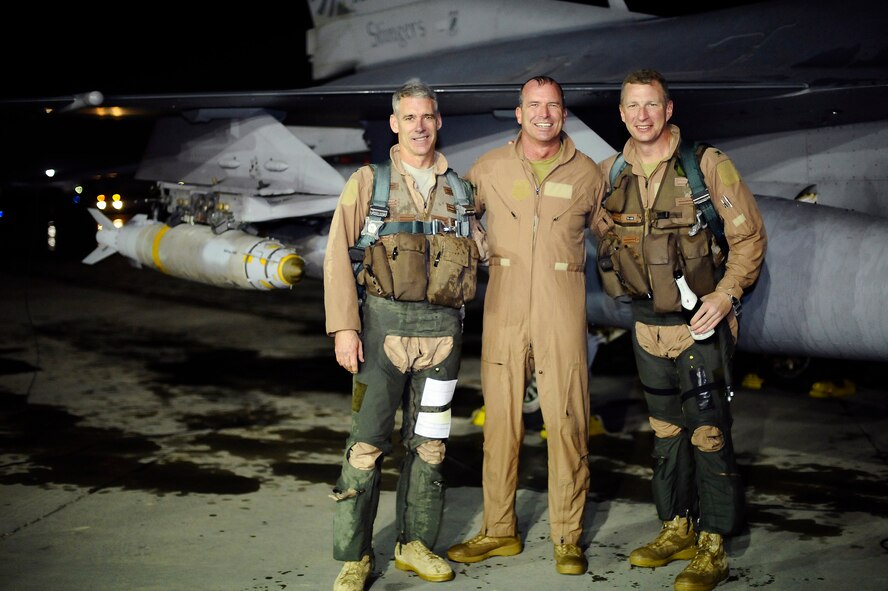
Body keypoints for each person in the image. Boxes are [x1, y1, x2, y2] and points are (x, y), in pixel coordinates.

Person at [596, 69, 767, 591]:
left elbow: (748, 238)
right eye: (633, 106)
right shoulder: (611, 172)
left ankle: (714, 542)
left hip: (699, 328)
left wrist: (725, 294)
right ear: (622, 114)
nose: (643, 115)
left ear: (667, 110)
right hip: (646, 328)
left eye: (653, 105)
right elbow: (607, 237)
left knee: (709, 432)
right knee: (666, 433)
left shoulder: (705, 166)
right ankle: (677, 527)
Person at [323, 79, 485, 591]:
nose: (420, 126)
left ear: (438, 122)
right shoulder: (369, 183)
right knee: (366, 447)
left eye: (428, 117)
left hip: (442, 340)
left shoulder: (460, 190)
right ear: (395, 124)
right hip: (382, 334)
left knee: (431, 446)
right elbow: (335, 258)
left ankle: (415, 542)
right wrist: (345, 328)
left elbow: (481, 255)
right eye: (409, 118)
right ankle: (355, 557)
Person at [446, 75, 609, 576]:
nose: (544, 113)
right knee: (500, 426)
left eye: (553, 105)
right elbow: (457, 219)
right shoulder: (489, 168)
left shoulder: (587, 174)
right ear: (518, 113)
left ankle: (568, 537)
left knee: (566, 423)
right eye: (534, 105)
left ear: (563, 113)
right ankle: (499, 531)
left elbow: (615, 239)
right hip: (504, 309)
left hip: (562, 312)